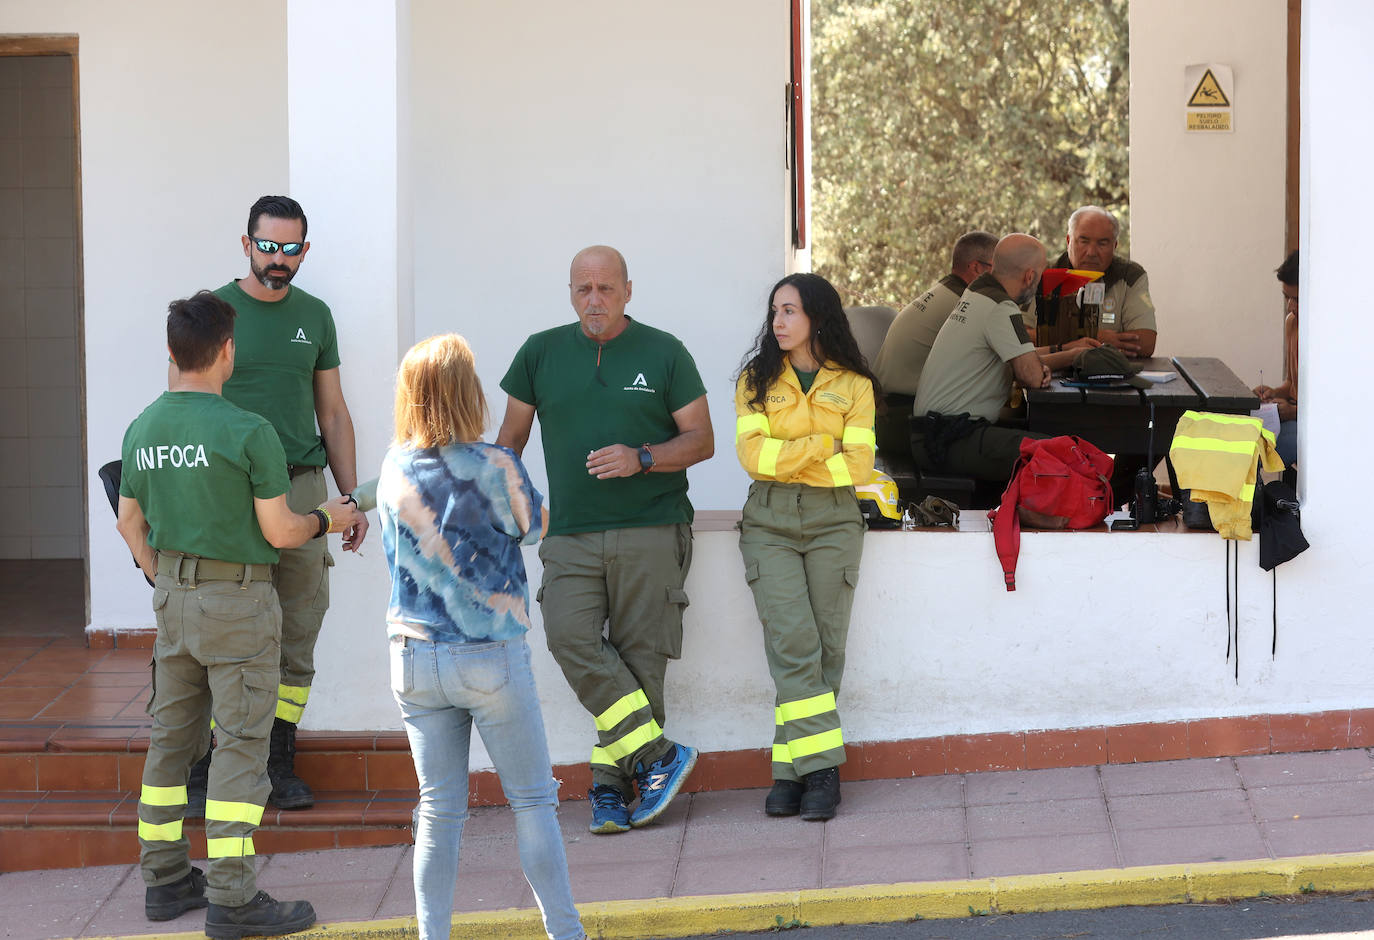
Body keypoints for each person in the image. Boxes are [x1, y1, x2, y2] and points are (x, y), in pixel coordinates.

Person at [117, 291, 359, 937]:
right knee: (242, 748)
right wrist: (327, 518)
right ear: (228, 351)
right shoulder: (248, 431)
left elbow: (128, 520)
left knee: (171, 741)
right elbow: (280, 531)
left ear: (172, 351)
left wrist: (162, 575)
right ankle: (232, 896)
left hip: (172, 600)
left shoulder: (143, 428)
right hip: (238, 605)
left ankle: (164, 879)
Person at [495, 245, 714, 834]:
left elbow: (701, 440)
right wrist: (514, 511)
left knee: (639, 664)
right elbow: (508, 444)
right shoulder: (540, 352)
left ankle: (611, 790)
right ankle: (659, 759)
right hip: (568, 534)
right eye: (583, 289)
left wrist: (642, 456)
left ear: (628, 290)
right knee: (570, 638)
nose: (594, 300)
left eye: (606, 289)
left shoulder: (664, 351)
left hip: (652, 527)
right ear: (570, 292)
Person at [376, 334, 585, 940]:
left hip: (413, 657)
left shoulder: (394, 466)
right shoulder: (495, 465)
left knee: (439, 812)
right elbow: (535, 525)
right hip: (488, 655)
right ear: (467, 394)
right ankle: (566, 934)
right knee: (532, 802)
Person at [211, 195, 368, 810]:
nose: (279, 259)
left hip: (303, 485)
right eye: (268, 246)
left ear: (305, 250)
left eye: (291, 248)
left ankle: (279, 757)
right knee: (228, 622)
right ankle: (218, 758)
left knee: (298, 625)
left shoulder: (315, 315)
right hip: (230, 491)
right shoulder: (214, 313)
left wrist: (349, 497)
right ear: (246, 243)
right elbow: (188, 405)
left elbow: (331, 410)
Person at [734, 272, 877, 821]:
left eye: (789, 311)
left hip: (834, 522)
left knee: (827, 648)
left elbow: (859, 467)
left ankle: (788, 771)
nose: (778, 322)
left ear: (818, 316)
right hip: (769, 521)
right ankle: (821, 772)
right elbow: (755, 460)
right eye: (774, 311)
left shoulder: (856, 385)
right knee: (794, 645)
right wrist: (822, 444)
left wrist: (791, 453)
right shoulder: (755, 379)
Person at [911, 234, 1052, 484]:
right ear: (1030, 276)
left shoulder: (977, 293)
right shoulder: (1000, 307)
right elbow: (1031, 375)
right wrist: (1039, 369)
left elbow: (1025, 363)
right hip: (950, 438)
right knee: (1056, 453)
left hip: (933, 432)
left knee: (1041, 443)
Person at [873, 231, 996, 455]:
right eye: (996, 268)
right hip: (908, 425)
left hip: (891, 419)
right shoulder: (964, 304)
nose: (1001, 277)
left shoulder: (944, 292)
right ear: (977, 268)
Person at [1042, 205, 1158, 358]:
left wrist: (1056, 337)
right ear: (1069, 240)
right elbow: (1021, 337)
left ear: (1114, 246)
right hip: (1052, 371)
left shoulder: (1130, 275)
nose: (1091, 253)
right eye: (1083, 241)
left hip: (1111, 373)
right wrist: (1092, 336)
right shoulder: (1044, 272)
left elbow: (1146, 342)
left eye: (1102, 244)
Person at [1253, 249, 1299, 468]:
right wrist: (1273, 392)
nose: (1290, 306)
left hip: (1316, 428)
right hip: (1291, 419)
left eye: (1297, 299)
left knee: (1253, 451)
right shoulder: (1292, 322)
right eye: (1286, 297)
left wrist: (1295, 412)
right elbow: (1292, 384)